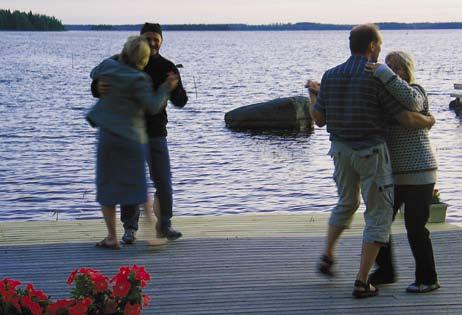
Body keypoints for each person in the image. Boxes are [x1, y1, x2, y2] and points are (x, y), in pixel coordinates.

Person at [306, 24, 436, 298]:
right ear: (373, 46)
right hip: (370, 152)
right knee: (378, 215)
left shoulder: (330, 75)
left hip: (340, 152)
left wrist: (313, 93)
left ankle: (329, 252)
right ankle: (363, 280)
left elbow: (318, 120)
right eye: (380, 48)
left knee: (347, 202)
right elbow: (404, 116)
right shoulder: (374, 77)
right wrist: (429, 120)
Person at [91, 23, 188, 244]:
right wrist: (98, 87)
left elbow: (181, 101)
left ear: (162, 40)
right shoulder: (123, 62)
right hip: (129, 133)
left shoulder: (167, 66)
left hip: (155, 132)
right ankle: (130, 229)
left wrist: (173, 88)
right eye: (148, 38)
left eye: (156, 39)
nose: (152, 42)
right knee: (132, 181)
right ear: (140, 40)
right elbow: (97, 86)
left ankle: (164, 224)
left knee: (163, 179)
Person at [366, 51, 440, 293]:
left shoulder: (416, 90)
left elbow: (413, 105)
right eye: (388, 66)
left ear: (407, 70)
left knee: (416, 227)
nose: (393, 71)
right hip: (393, 175)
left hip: (420, 171)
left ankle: (428, 279)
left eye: (398, 67)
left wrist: (384, 74)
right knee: (381, 223)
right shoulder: (383, 98)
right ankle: (386, 271)